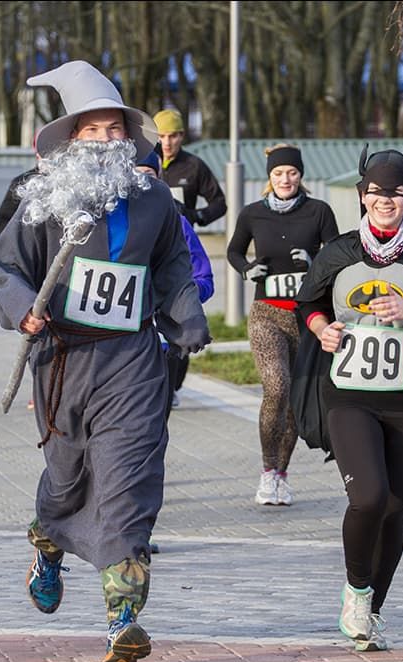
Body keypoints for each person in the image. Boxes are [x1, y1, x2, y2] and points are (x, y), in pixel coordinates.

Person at [0, 60, 209, 662]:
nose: (107, 141)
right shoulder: (44, 205)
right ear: (69, 140)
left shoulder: (154, 201)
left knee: (128, 483)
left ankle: (123, 618)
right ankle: (49, 543)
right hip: (63, 360)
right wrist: (21, 312)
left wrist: (186, 320)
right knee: (65, 479)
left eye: (116, 130)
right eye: (93, 131)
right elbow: (6, 267)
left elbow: (170, 267)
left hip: (133, 359)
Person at [294, 148, 403, 651]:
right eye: (375, 191)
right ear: (362, 197)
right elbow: (308, 300)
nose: (384, 200)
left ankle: (370, 613)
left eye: (394, 192)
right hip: (348, 394)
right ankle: (355, 590)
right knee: (367, 496)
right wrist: (321, 327)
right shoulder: (341, 252)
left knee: (394, 509)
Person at [226, 144, 338, 506]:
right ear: (269, 178)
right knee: (276, 386)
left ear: (300, 175)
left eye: (291, 173)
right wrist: (246, 269)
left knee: (293, 399)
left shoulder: (319, 211)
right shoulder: (253, 213)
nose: (285, 179)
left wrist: (314, 260)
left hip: (307, 317)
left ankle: (281, 476)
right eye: (278, 173)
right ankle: (265, 471)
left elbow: (338, 256)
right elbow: (233, 251)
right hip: (266, 315)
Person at [153, 108, 226, 407]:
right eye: (161, 136)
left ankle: (173, 383)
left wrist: (196, 216)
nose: (167, 142)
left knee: (184, 319)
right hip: (155, 248)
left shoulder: (194, 166)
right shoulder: (146, 162)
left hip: (185, 245)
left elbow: (219, 202)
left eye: (173, 136)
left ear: (182, 136)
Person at [134, 147, 215, 418]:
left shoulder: (178, 224)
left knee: (155, 424)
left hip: (164, 344)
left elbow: (204, 280)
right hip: (121, 344)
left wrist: (179, 296)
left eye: (150, 174)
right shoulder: (109, 222)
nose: (144, 182)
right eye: (136, 175)